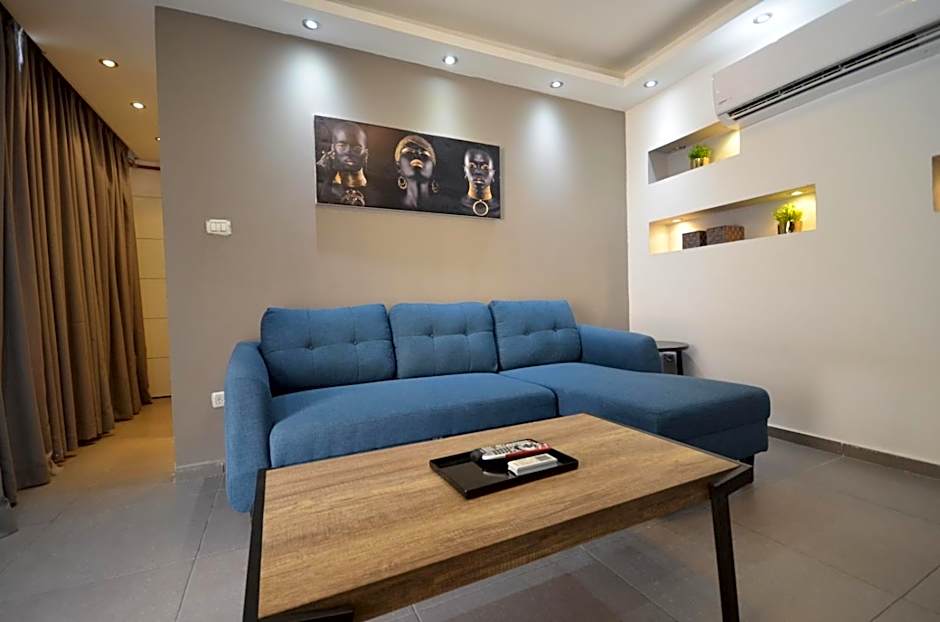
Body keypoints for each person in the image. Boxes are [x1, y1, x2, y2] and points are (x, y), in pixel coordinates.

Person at [317, 121, 369, 207]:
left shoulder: (381, 190)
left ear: (365, 153)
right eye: (342, 146)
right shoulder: (322, 188)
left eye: (357, 148)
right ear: (333, 148)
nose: (348, 152)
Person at [394, 134, 440, 211]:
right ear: (399, 167)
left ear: (433, 169)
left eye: (424, 154)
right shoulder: (393, 205)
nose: (417, 156)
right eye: (409, 152)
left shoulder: (444, 207)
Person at [460, 147, 499, 217]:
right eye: (472, 166)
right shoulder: (455, 207)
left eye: (485, 167)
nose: (478, 172)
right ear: (465, 171)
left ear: (493, 173)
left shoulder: (501, 209)